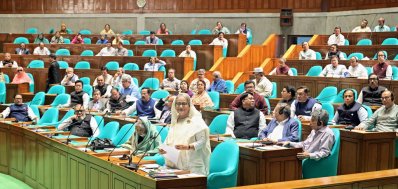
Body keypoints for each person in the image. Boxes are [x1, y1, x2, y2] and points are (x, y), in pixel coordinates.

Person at [159, 93, 211, 175]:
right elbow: (169, 138)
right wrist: (163, 148)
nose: (180, 107)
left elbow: (203, 141)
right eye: (178, 104)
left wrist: (188, 146)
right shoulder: (175, 120)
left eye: (184, 104)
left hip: (193, 166)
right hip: (176, 165)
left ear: (189, 105)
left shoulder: (196, 120)